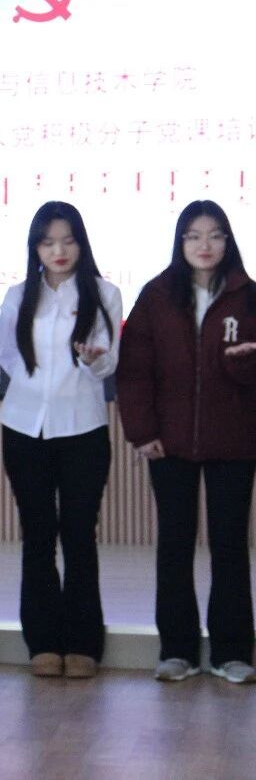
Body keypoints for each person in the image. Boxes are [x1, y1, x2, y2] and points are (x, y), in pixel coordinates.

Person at [117, 199, 256, 684]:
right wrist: (142, 431)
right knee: (174, 545)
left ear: (228, 241)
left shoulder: (248, 296)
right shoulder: (157, 295)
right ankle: (177, 650)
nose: (204, 245)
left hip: (235, 440)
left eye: (214, 235)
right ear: (180, 243)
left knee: (230, 545)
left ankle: (232, 652)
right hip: (169, 441)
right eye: (193, 236)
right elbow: (134, 371)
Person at [0, 201, 121, 678]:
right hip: (24, 428)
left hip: (83, 428)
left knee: (79, 536)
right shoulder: (18, 295)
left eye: (68, 241)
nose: (59, 251)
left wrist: (92, 360)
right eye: (48, 243)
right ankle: (42, 641)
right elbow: (7, 354)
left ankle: (84, 643)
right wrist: (34, 384)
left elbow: (109, 361)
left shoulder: (104, 293)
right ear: (35, 248)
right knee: (37, 536)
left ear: (81, 244)